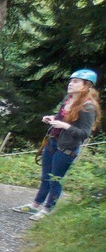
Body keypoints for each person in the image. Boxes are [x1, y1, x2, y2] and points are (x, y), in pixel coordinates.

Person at [12, 69, 101, 220]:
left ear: (87, 85)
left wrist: (63, 126)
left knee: (55, 179)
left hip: (66, 149)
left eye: (75, 81)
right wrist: (52, 118)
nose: (70, 84)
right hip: (52, 142)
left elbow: (84, 134)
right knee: (45, 176)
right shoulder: (68, 98)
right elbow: (63, 118)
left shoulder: (88, 107)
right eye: (71, 80)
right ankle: (35, 205)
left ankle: (48, 209)